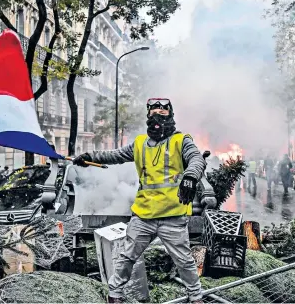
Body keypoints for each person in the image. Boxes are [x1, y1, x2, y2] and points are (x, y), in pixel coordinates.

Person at [73, 98, 205, 303]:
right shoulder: (140, 143)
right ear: (148, 117)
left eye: (162, 112)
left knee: (184, 261)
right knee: (126, 257)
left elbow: (197, 159)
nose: (158, 116)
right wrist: (90, 156)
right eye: (154, 113)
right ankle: (114, 294)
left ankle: (196, 298)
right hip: (144, 215)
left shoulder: (181, 140)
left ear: (170, 115)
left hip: (173, 215)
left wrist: (190, 177)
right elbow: (115, 155)